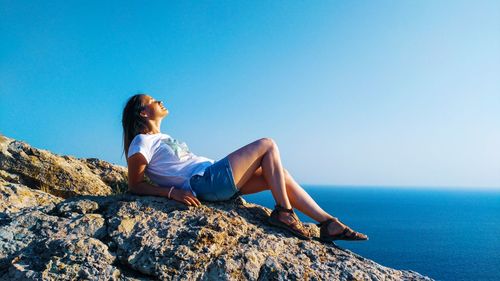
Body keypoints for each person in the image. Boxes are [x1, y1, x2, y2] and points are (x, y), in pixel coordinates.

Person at [122, 93, 368, 241]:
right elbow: (135, 185)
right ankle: (284, 212)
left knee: (280, 174)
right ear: (143, 113)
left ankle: (328, 224)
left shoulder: (162, 138)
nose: (160, 101)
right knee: (267, 144)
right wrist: (171, 193)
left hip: (213, 180)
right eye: (153, 101)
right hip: (204, 182)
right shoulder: (141, 142)